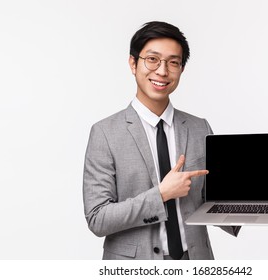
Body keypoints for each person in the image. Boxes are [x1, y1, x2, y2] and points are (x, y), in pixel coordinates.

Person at [83, 21, 239, 260]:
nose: (163, 71)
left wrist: (249, 201)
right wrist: (161, 194)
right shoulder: (105, 133)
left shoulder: (199, 127)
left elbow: (211, 199)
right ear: (133, 63)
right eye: (153, 59)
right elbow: (98, 218)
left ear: (181, 69)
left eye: (173, 62)